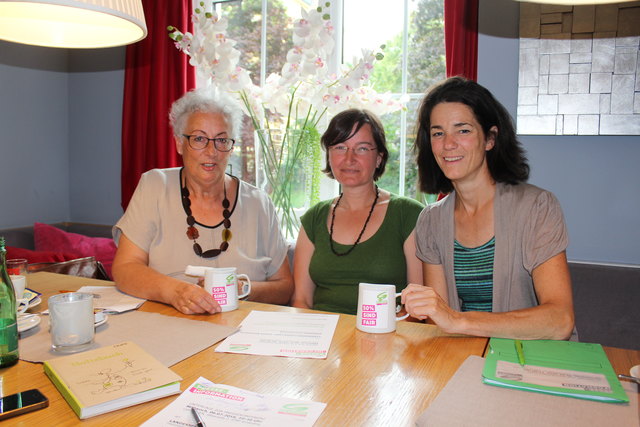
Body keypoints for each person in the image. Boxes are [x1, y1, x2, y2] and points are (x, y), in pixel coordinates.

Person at [401, 76, 575, 340]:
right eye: (438, 133)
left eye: (463, 130)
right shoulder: (430, 220)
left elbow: (560, 321)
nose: (448, 143)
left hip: (529, 363)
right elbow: (441, 325)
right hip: (463, 358)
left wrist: (457, 320)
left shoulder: (537, 208)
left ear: (490, 139)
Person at [112, 88, 293, 314]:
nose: (211, 151)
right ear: (179, 143)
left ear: (231, 147)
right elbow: (125, 268)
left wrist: (243, 288)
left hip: (242, 331)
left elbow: (285, 287)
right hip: (168, 325)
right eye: (199, 138)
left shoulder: (259, 203)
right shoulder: (154, 186)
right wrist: (177, 292)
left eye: (221, 140)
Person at [292, 109, 424, 315]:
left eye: (362, 148)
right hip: (322, 337)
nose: (349, 158)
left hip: (385, 336)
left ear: (379, 158)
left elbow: (416, 306)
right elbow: (302, 300)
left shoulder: (408, 215)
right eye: (340, 147)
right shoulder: (314, 217)